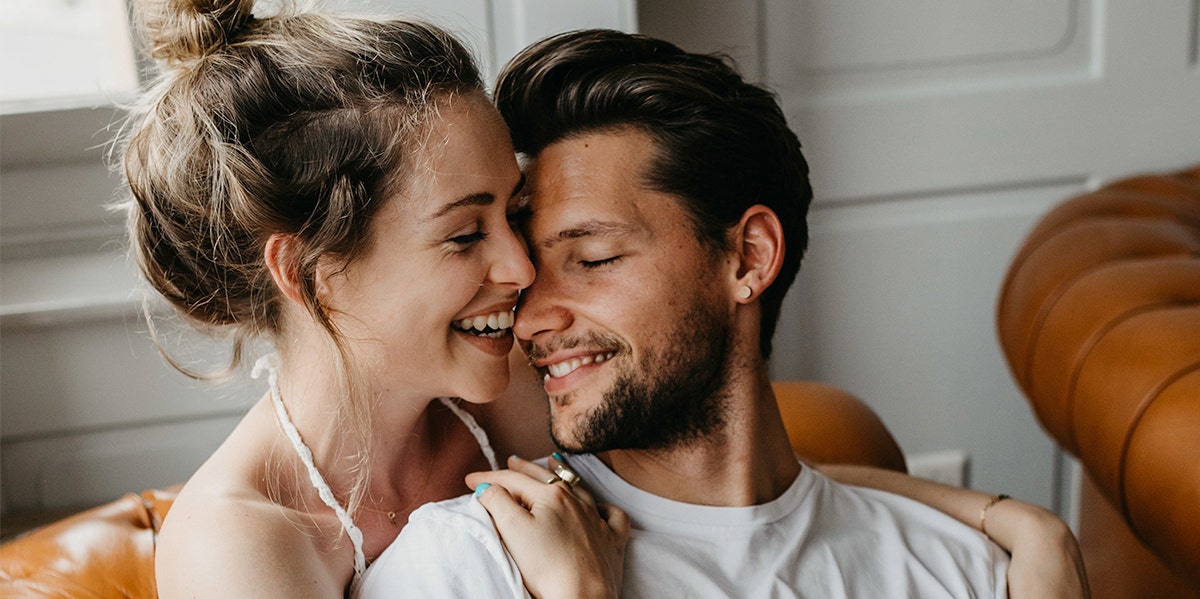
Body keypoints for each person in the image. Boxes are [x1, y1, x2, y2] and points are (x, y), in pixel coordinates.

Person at [358, 29, 1088, 598]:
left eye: (594, 257)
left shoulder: (965, 569)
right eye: (530, 271)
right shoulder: (478, 560)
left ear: (747, 257)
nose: (532, 318)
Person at [119, 1, 631, 596]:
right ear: (311, 272)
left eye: (513, 213)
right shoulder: (238, 546)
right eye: (465, 235)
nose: (521, 268)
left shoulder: (519, 388)